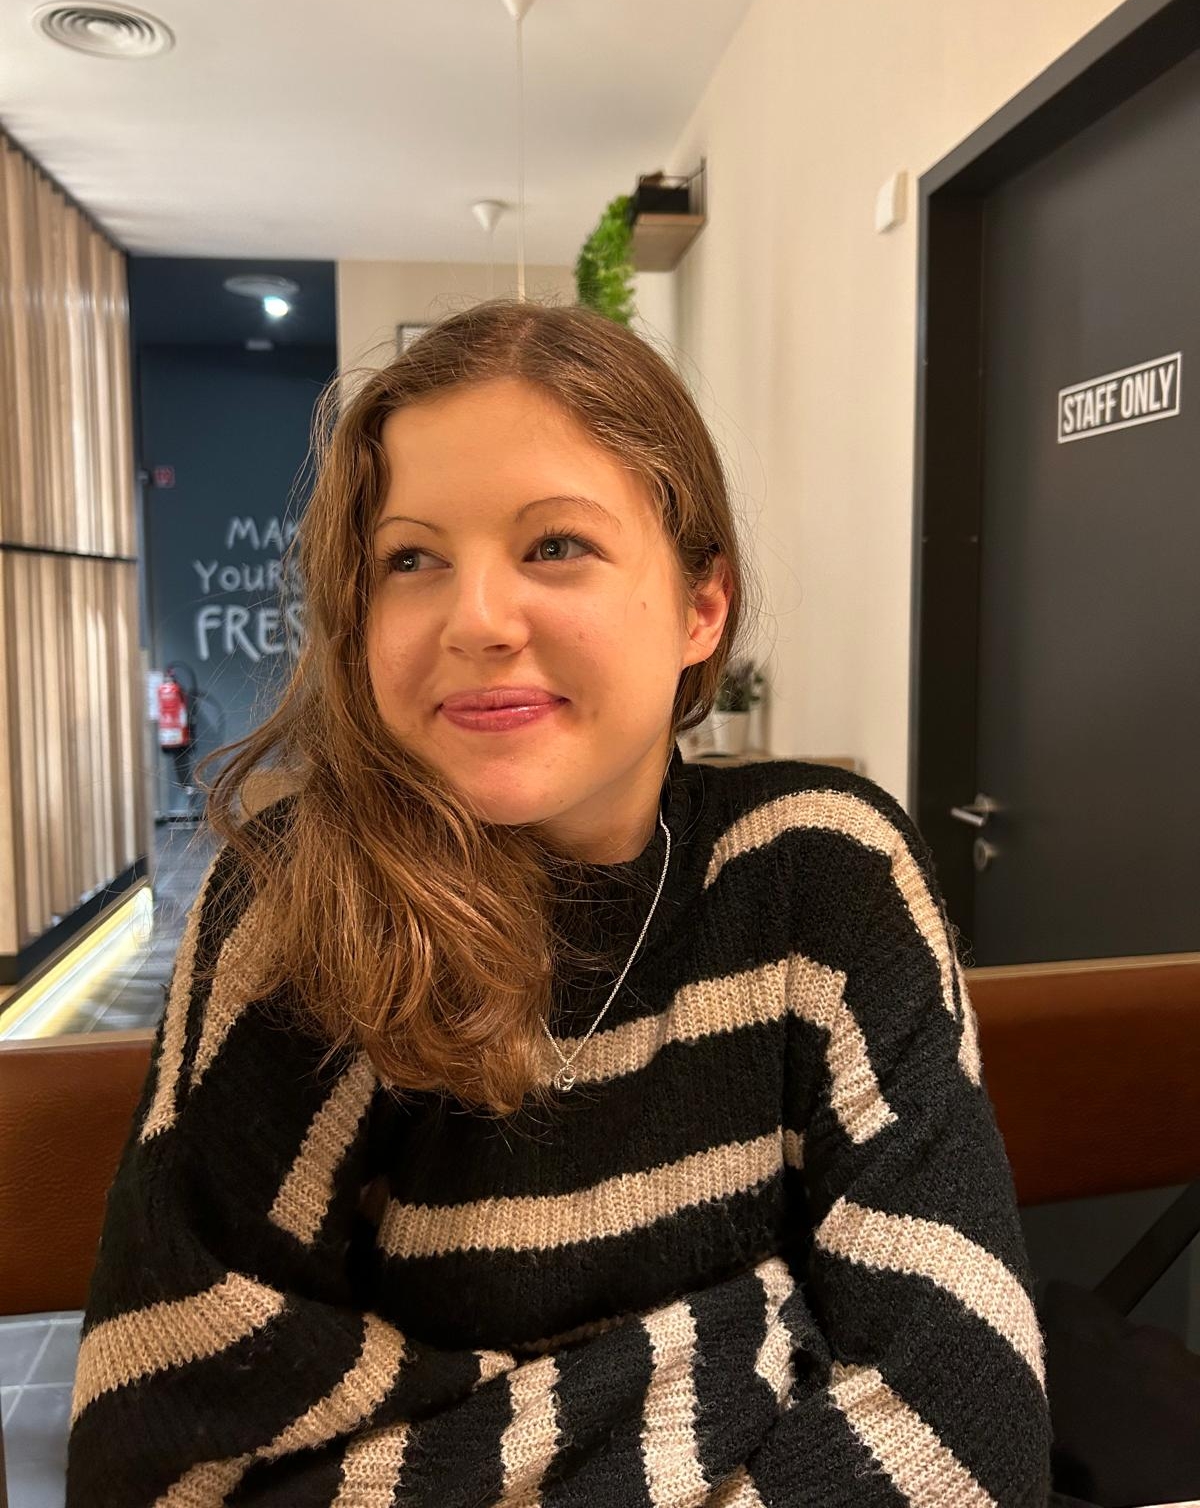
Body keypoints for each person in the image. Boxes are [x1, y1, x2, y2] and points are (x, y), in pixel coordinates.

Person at [65, 300, 1052, 1506]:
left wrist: (488, 1431)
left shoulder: (823, 875)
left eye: (555, 546)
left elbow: (964, 1424)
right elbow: (169, 1455)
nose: (476, 618)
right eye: (410, 559)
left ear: (702, 606)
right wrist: (733, 1348)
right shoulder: (297, 905)